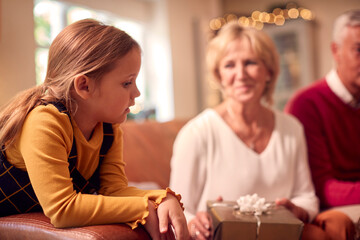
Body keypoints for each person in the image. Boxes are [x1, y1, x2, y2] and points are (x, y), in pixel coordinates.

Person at [0, 19, 189, 240]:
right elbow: (62, 210)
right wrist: (142, 208)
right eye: (127, 83)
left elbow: (115, 190)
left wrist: (164, 198)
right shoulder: (45, 121)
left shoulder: (108, 128)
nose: (137, 92)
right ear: (84, 86)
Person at [169, 22, 327, 240]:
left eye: (251, 62)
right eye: (229, 65)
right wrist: (195, 224)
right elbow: (177, 209)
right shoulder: (196, 133)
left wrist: (297, 210)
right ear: (219, 75)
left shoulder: (292, 128)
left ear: (269, 71)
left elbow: (307, 198)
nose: (241, 74)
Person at [285, 9, 360, 240]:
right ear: (335, 51)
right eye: (359, 50)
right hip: (331, 208)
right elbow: (321, 188)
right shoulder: (306, 104)